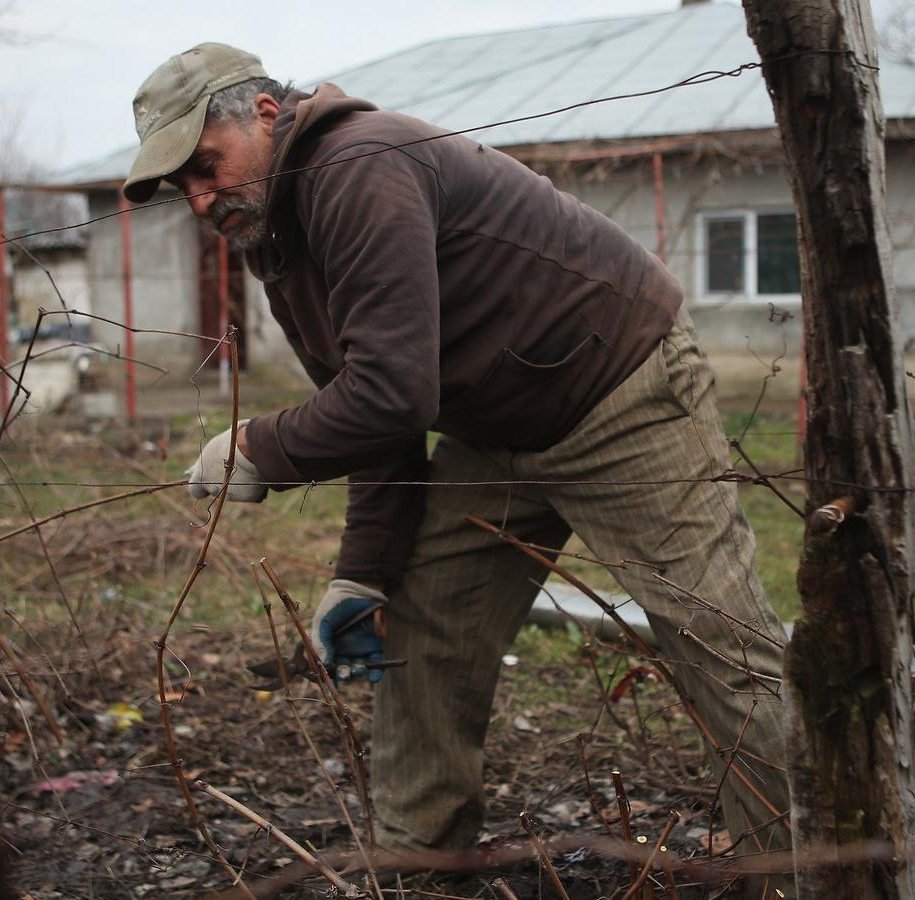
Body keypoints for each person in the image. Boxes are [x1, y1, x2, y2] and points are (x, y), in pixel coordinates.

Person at [128, 42, 792, 865]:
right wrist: (362, 572)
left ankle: (814, 860)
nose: (197, 198)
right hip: (495, 426)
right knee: (424, 633)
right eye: (179, 185)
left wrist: (258, 447)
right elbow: (374, 408)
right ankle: (414, 867)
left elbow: (391, 393)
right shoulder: (277, 233)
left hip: (620, 387)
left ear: (266, 115)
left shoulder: (360, 167)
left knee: (716, 637)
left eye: (204, 165)